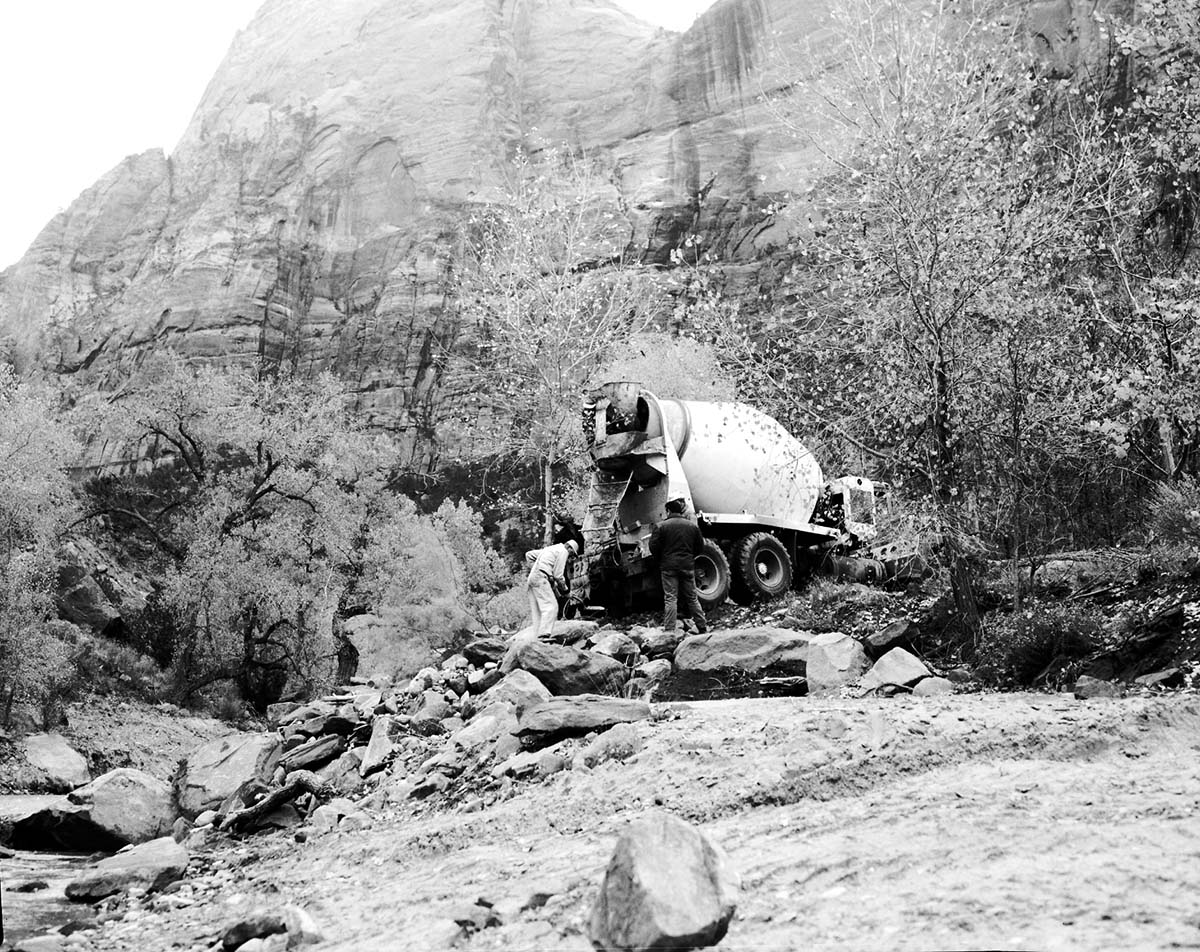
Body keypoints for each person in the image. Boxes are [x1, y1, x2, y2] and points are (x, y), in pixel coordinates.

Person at [649, 497, 708, 633]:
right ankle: (702, 627)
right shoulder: (692, 526)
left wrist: (661, 559)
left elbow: (653, 547)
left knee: (671, 598)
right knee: (692, 598)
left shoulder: (661, 526)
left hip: (668, 567)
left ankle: (669, 630)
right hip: (687, 566)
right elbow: (700, 546)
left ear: (668, 510)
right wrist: (690, 557)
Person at [525, 538, 579, 637]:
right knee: (551, 607)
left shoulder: (551, 549)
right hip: (540, 579)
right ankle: (544, 635)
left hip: (532, 579)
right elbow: (559, 576)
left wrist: (539, 569)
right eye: (572, 554)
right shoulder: (563, 551)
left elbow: (529, 555)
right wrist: (567, 592)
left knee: (538, 610)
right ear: (570, 548)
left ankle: (536, 636)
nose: (571, 557)